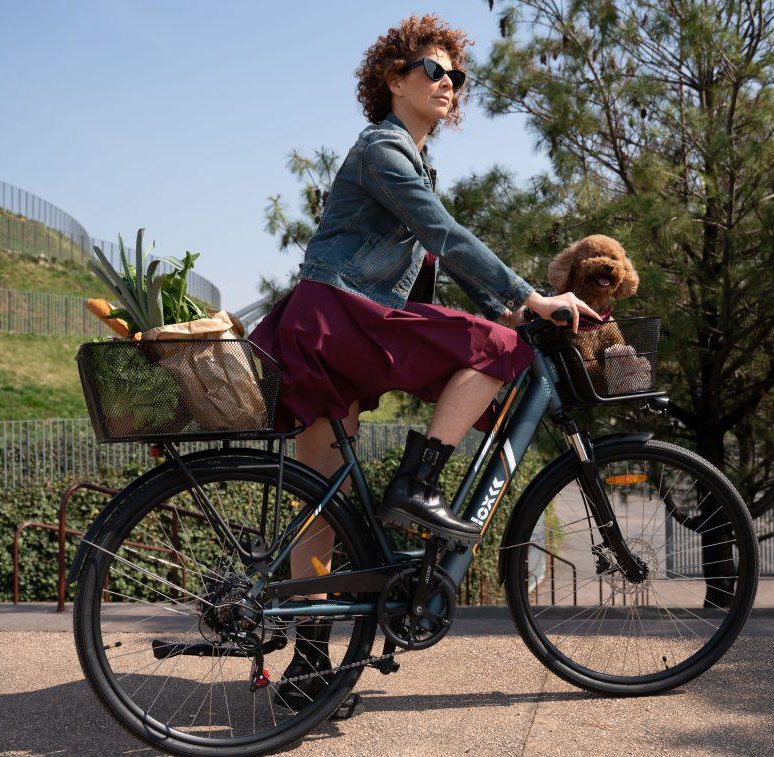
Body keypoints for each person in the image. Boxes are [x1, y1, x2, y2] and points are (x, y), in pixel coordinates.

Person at [247, 14, 600, 710]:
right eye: (434, 71)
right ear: (394, 79)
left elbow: (437, 253)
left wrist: (503, 303)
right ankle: (419, 481)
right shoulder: (383, 147)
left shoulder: (409, 157)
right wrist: (527, 300)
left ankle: (310, 668)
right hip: (341, 317)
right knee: (499, 351)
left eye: (456, 76)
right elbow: (443, 231)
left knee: (324, 506)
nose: (449, 85)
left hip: (325, 325)